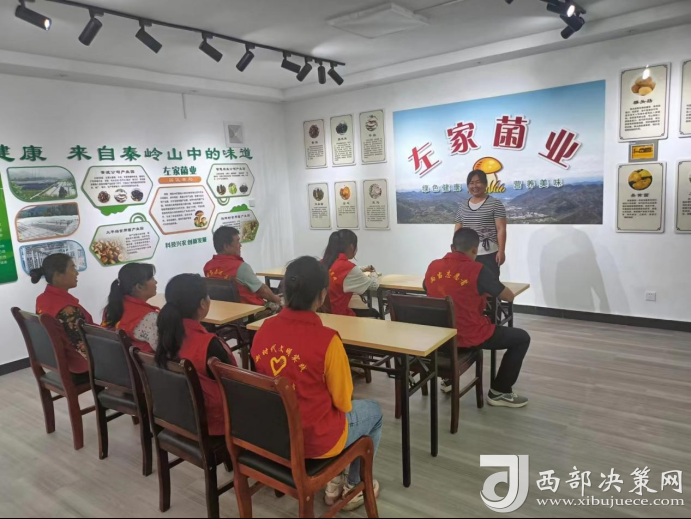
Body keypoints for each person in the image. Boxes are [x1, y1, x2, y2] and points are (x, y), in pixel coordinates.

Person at [251, 256, 382, 511]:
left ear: (285, 290)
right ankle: (354, 485)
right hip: (316, 441)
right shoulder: (328, 340)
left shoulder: (263, 329)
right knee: (373, 412)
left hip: (276, 434)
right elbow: (343, 402)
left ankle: (335, 480)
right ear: (322, 295)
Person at [425, 228, 530, 408]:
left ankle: (448, 379)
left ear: (452, 247)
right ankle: (500, 391)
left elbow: (427, 288)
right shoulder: (478, 269)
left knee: (452, 322)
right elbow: (508, 296)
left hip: (440, 336)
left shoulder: (433, 266)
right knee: (522, 338)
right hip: (468, 334)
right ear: (475, 249)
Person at [155, 274, 236, 436]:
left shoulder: (165, 337)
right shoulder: (208, 344)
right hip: (215, 423)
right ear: (202, 304)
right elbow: (234, 383)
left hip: (177, 415)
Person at [31, 253, 93, 374]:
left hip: (61, 361)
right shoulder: (67, 310)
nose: (77, 273)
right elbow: (82, 347)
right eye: (72, 268)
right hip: (79, 365)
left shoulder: (42, 299)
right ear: (58, 275)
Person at [204, 226, 281, 311]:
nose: (240, 245)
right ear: (226, 246)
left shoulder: (207, 267)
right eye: (237, 241)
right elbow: (263, 291)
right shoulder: (240, 267)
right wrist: (277, 299)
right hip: (251, 312)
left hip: (224, 312)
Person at [454, 169, 508, 277]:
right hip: (467, 254)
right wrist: (456, 251)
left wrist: (501, 251)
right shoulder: (463, 206)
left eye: (478, 182)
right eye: (471, 183)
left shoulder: (495, 203)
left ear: (485, 184)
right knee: (468, 283)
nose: (474, 186)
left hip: (489, 254)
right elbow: (458, 229)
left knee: (490, 285)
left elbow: (501, 229)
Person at [103, 263, 159, 353]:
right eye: (152, 278)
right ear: (139, 287)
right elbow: (166, 350)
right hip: (143, 362)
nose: (156, 282)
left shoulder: (111, 309)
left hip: (117, 359)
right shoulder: (149, 317)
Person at [322, 230, 380, 318]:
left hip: (323, 314)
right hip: (339, 316)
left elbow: (338, 271)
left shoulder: (322, 262)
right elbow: (374, 286)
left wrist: (362, 268)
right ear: (352, 247)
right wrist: (374, 273)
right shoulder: (348, 267)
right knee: (374, 313)